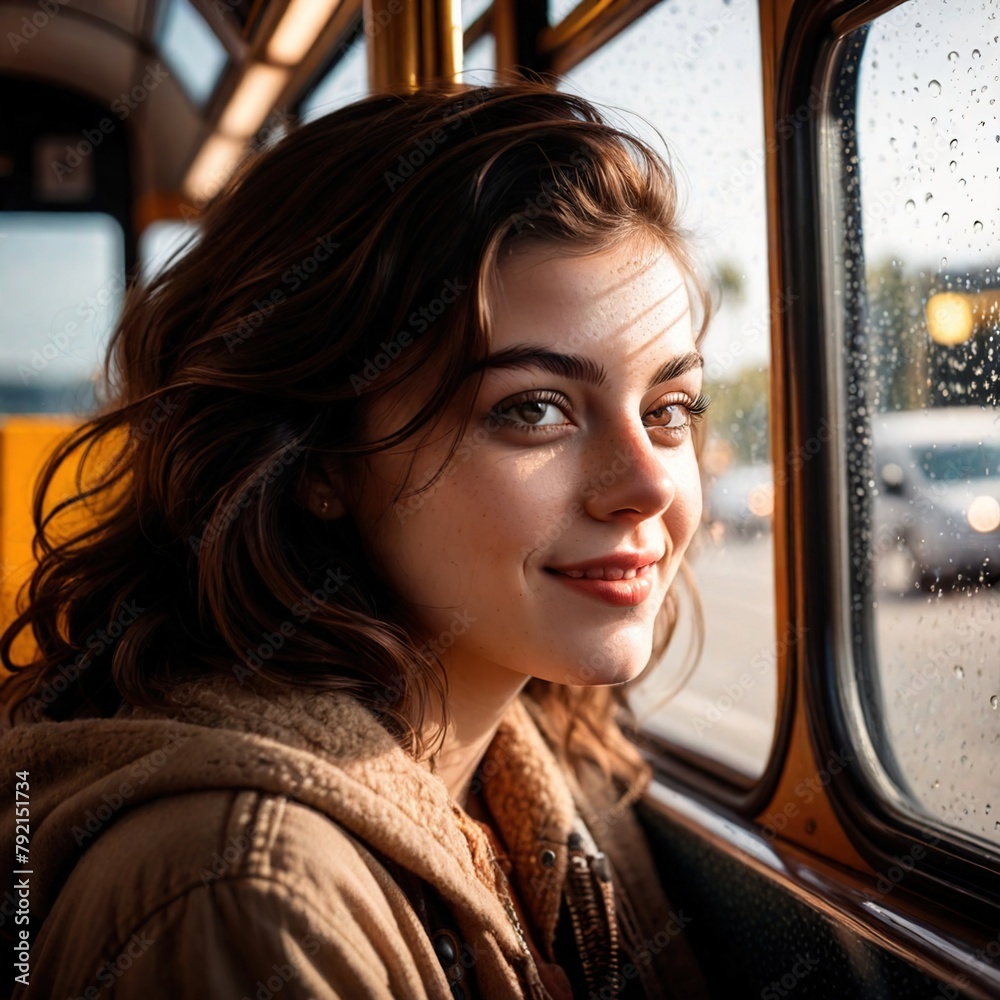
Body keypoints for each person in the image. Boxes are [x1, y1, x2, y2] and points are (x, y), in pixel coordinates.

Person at [0, 82, 713, 999]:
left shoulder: (539, 760)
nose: (650, 480)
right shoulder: (244, 902)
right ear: (319, 459)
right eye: (534, 409)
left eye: (670, 409)